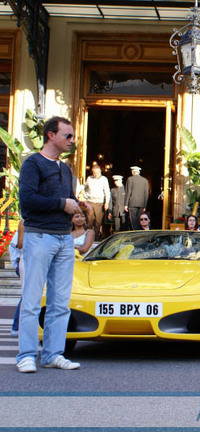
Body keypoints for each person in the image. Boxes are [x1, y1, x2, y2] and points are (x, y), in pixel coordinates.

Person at [17, 116, 82, 373]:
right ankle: (26, 355)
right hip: (39, 237)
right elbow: (27, 200)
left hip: (64, 238)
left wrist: (77, 203)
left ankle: (54, 353)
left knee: (60, 302)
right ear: (50, 136)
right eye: (67, 136)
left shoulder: (65, 169)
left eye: (72, 136)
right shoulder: (32, 163)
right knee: (32, 300)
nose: (71, 141)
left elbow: (66, 198)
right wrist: (61, 204)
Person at [83, 162, 110, 239]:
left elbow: (107, 192)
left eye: (97, 173)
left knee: (98, 222)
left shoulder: (104, 179)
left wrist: (106, 202)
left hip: (99, 203)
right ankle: (87, 237)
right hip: (90, 201)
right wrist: (84, 198)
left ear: (100, 172)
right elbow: (84, 188)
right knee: (89, 221)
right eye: (94, 173)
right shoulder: (89, 178)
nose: (95, 175)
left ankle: (96, 238)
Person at [9, 219, 24, 336]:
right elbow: (20, 245)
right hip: (26, 261)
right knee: (27, 295)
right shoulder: (24, 222)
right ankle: (17, 326)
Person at [124, 166, 149, 230]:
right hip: (141, 204)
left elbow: (128, 192)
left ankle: (135, 234)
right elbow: (146, 194)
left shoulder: (130, 179)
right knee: (139, 220)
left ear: (132, 172)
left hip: (132, 203)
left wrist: (126, 204)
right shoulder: (145, 180)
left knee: (133, 221)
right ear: (139, 172)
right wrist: (145, 205)